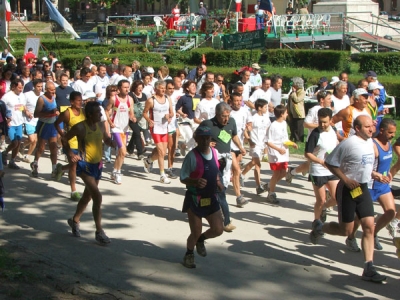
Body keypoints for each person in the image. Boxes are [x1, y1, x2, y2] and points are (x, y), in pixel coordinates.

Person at [310, 115, 386, 283]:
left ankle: (369, 267)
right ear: (357, 129)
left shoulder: (370, 142)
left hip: (363, 188)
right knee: (346, 230)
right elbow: (330, 163)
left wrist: (375, 174)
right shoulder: (348, 143)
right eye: (367, 127)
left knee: (369, 227)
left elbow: (362, 165)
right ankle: (320, 228)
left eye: (371, 126)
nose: (371, 129)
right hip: (347, 189)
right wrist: (345, 180)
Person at [64, 101, 116, 245]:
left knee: (87, 197)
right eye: (98, 113)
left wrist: (110, 142)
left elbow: (105, 137)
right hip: (84, 165)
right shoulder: (80, 127)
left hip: (97, 165)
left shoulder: (99, 125)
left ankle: (74, 220)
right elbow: (64, 138)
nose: (101, 115)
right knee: (97, 197)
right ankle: (99, 232)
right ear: (90, 115)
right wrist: (70, 152)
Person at [346, 118, 396, 251]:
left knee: (391, 212)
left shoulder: (388, 143)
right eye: (390, 132)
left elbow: (385, 162)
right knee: (358, 218)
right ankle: (350, 238)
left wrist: (388, 173)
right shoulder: (372, 145)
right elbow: (363, 165)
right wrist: (376, 174)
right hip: (368, 185)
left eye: (394, 133)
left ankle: (373, 234)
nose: (393, 135)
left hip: (382, 186)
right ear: (382, 130)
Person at [180, 125, 224, 268]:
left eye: (208, 138)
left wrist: (218, 182)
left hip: (211, 198)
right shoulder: (191, 156)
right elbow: (182, 177)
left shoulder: (215, 152)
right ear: (196, 139)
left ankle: (201, 240)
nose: (205, 141)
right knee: (195, 231)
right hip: (195, 199)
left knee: (218, 229)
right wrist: (195, 181)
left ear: (211, 138)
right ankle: (189, 254)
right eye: (202, 138)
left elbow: (215, 170)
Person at [200, 102, 246, 230]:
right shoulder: (208, 124)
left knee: (217, 190)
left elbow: (234, 135)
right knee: (220, 191)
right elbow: (196, 136)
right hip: (212, 162)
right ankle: (226, 222)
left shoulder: (231, 122)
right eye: (223, 116)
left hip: (226, 162)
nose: (226, 119)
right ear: (217, 114)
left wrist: (241, 147)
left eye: (228, 115)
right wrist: (207, 143)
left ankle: (200, 209)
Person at [305, 108, 339, 225]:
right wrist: (321, 161)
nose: (322, 125)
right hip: (318, 170)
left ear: (331, 120)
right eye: (320, 122)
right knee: (320, 200)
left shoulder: (333, 130)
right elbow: (307, 154)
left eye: (325, 122)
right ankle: (317, 222)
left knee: (336, 198)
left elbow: (336, 144)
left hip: (331, 170)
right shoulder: (315, 134)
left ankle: (324, 208)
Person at [54, 91, 86, 201]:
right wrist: (62, 133)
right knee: (73, 165)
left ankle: (61, 168)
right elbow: (56, 123)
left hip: (82, 144)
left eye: (81, 100)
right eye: (78, 100)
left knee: (80, 164)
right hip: (70, 143)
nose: (80, 102)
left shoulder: (83, 112)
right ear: (72, 102)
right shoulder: (67, 113)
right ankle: (73, 191)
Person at [142, 80, 174, 184]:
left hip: (165, 127)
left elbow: (172, 112)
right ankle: (162, 175)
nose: (163, 89)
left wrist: (169, 116)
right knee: (161, 151)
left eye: (164, 88)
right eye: (161, 88)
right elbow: (144, 113)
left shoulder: (167, 98)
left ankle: (149, 161)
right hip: (155, 128)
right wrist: (149, 120)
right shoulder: (151, 100)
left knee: (163, 152)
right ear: (156, 88)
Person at [265, 105, 298, 203]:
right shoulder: (273, 125)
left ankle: (270, 185)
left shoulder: (284, 123)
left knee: (284, 172)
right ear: (281, 114)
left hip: (284, 153)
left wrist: (292, 143)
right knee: (276, 173)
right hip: (275, 153)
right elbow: (268, 141)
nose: (287, 114)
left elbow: (284, 138)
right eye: (286, 113)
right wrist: (278, 149)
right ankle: (271, 193)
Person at [105, 79, 135, 185]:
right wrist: (110, 122)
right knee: (123, 150)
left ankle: (114, 171)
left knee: (121, 153)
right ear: (119, 88)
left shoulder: (130, 99)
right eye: (125, 87)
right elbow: (107, 110)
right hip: (116, 128)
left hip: (125, 129)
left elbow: (131, 113)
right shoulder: (114, 99)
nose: (127, 89)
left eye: (128, 87)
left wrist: (133, 118)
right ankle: (118, 173)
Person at [241, 99, 271, 195]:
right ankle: (242, 175)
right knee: (256, 162)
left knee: (257, 164)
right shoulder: (253, 118)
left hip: (262, 144)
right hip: (254, 143)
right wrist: (249, 139)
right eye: (265, 107)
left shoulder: (266, 118)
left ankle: (258, 186)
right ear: (259, 108)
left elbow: (267, 130)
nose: (267, 109)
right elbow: (245, 130)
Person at [31, 82, 60, 177]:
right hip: (44, 124)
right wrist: (49, 113)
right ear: (46, 89)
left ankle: (54, 169)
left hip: (52, 125)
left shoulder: (53, 97)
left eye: (54, 89)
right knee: (41, 147)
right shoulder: (41, 99)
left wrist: (56, 111)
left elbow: (54, 108)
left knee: (54, 147)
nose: (53, 91)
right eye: (51, 90)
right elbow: (36, 114)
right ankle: (35, 163)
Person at [1, 79, 26, 170]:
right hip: (10, 123)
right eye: (19, 87)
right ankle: (5, 152)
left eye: (22, 87)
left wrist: (27, 113)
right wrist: (5, 119)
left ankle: (12, 161)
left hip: (19, 122)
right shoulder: (6, 97)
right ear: (14, 87)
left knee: (18, 142)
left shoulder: (22, 96)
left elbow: (23, 107)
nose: (21, 89)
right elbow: (1, 108)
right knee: (14, 142)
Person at [20, 79, 43, 163]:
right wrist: (26, 111)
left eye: (41, 86)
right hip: (28, 120)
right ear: (34, 86)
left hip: (38, 120)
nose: (40, 88)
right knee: (31, 139)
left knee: (35, 141)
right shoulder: (27, 95)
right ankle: (22, 145)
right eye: (38, 86)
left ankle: (27, 155)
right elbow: (22, 105)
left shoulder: (43, 95)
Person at [176, 80, 201, 156]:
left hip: (196, 121)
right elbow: (176, 108)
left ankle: (183, 146)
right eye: (192, 86)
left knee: (195, 139)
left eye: (195, 86)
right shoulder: (183, 98)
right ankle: (192, 158)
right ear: (187, 88)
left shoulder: (199, 97)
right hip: (186, 121)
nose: (194, 87)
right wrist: (182, 114)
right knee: (190, 136)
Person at [127, 80, 147, 159]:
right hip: (132, 117)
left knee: (136, 134)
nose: (140, 89)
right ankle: (140, 152)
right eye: (138, 88)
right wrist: (131, 116)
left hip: (141, 118)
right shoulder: (130, 95)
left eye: (141, 88)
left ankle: (130, 148)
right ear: (134, 88)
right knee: (137, 133)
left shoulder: (144, 95)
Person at [287, 77, 305, 143]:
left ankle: (299, 140)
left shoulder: (302, 91)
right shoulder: (293, 91)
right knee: (292, 126)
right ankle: (293, 138)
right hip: (292, 112)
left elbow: (297, 100)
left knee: (299, 127)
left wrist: (294, 92)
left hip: (298, 113)